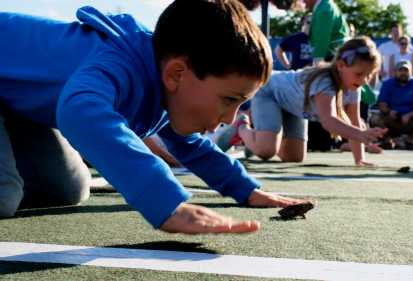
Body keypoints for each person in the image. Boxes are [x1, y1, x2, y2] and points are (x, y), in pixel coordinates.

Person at [0, 0, 307, 234]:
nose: (230, 118)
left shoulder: (165, 83)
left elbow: (191, 146)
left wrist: (247, 190)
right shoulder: (118, 62)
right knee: (4, 194)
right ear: (177, 73)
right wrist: (166, 201)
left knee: (67, 190)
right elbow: (80, 111)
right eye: (229, 100)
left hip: (15, 105)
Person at [215, 36, 387, 166]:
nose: (364, 80)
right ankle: (242, 127)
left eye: (369, 75)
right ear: (341, 65)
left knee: (294, 158)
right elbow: (329, 121)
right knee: (267, 151)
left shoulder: (354, 87)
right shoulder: (325, 81)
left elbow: (354, 122)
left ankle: (259, 139)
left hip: (293, 108)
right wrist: (361, 135)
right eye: (359, 73)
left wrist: (360, 160)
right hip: (269, 92)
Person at [370, 60, 413, 150]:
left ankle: (410, 140)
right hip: (391, 119)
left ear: (411, 72)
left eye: (406, 70)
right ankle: (387, 140)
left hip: (411, 119)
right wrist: (389, 112)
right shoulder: (387, 84)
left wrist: (409, 115)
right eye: (400, 70)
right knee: (375, 119)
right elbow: (382, 105)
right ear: (395, 72)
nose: (403, 73)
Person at [303, 0, 349, 64]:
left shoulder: (324, 9)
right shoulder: (325, 6)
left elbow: (322, 39)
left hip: (332, 58)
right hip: (336, 56)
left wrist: (317, 63)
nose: (303, 1)